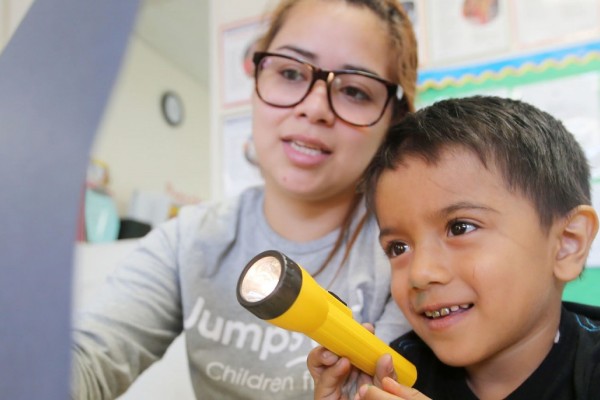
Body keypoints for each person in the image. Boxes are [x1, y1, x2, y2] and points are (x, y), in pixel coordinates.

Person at [70, 0, 418, 399]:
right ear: (255, 79)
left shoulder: (407, 255)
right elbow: (91, 358)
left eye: (355, 90)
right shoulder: (189, 239)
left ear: (394, 119)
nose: (315, 107)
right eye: (290, 72)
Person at [308, 96, 600, 399]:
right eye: (398, 248)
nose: (420, 273)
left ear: (567, 243)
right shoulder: (397, 371)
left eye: (460, 228)